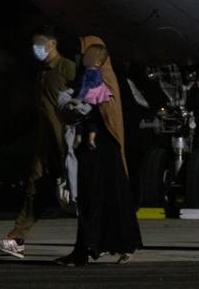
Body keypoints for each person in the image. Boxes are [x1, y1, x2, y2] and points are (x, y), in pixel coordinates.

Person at [0, 26, 77, 259]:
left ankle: (105, 239)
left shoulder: (67, 68)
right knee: (34, 188)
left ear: (53, 44)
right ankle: (16, 237)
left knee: (80, 193)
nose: (36, 50)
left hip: (65, 143)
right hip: (45, 143)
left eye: (40, 45)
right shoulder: (43, 72)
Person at [58, 35, 142, 265]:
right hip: (90, 150)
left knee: (107, 199)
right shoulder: (85, 77)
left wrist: (83, 107)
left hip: (104, 150)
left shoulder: (105, 78)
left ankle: (105, 247)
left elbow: (108, 112)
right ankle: (86, 248)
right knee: (90, 200)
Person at [74, 44, 113, 150]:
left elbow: (85, 86)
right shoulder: (96, 72)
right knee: (91, 120)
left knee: (79, 118)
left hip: (88, 98)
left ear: (97, 62)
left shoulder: (90, 73)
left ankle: (79, 137)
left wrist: (79, 97)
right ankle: (90, 139)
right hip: (94, 100)